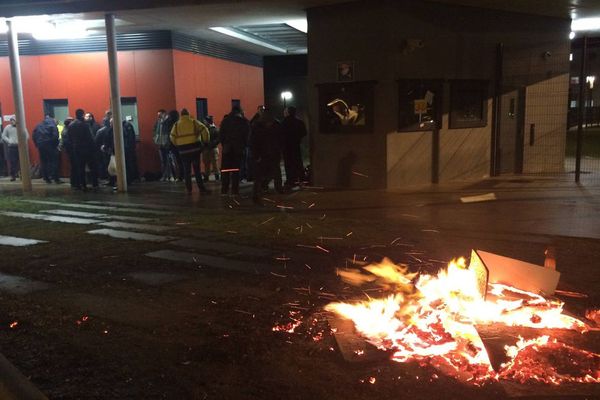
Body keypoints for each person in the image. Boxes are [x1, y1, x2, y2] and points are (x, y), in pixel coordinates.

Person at [170, 109, 210, 195]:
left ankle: (189, 189)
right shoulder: (194, 122)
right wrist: (205, 141)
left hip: (183, 151)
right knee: (197, 170)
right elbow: (205, 129)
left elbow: (172, 137)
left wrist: (178, 144)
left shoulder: (176, 125)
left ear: (181, 115)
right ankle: (201, 188)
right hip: (195, 150)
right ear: (188, 114)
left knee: (186, 170)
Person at [250, 108, 284, 203]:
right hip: (263, 154)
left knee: (273, 173)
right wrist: (256, 155)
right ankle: (257, 195)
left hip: (271, 153)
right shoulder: (258, 126)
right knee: (262, 176)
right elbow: (253, 142)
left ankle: (274, 188)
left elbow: (281, 139)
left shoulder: (273, 125)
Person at [219, 105, 249, 196]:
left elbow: (221, 135)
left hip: (227, 149)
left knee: (225, 170)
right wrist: (244, 145)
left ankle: (224, 190)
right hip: (238, 149)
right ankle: (234, 191)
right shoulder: (243, 121)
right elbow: (247, 135)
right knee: (236, 170)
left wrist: (225, 145)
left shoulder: (225, 121)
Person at [69, 109, 98, 191]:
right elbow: (90, 138)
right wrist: (93, 148)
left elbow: (70, 138)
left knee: (80, 168)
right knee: (92, 167)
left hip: (76, 149)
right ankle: (94, 183)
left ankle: (82, 184)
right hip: (87, 149)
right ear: (82, 114)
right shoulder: (85, 125)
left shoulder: (71, 125)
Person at [281, 106, 307, 187]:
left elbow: (280, 134)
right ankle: (301, 179)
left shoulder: (284, 122)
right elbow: (304, 132)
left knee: (288, 163)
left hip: (287, 146)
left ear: (288, 112)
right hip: (296, 144)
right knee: (298, 162)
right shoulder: (299, 122)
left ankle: (291, 180)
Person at [32, 113, 62, 183]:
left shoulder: (38, 125)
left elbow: (33, 135)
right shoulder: (53, 125)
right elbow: (55, 136)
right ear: (53, 119)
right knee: (54, 161)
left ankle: (46, 178)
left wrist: (37, 144)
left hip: (41, 146)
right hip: (51, 145)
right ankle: (56, 178)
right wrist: (55, 145)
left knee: (44, 162)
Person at [1, 117, 26, 182]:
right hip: (11, 147)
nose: (12, 121)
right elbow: (3, 136)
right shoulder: (7, 127)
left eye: (13, 120)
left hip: (20, 147)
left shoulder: (21, 126)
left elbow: (26, 135)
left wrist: (23, 141)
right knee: (13, 162)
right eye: (11, 120)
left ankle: (22, 175)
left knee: (22, 162)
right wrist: (9, 141)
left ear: (16, 121)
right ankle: (13, 176)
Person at [153, 109, 173, 181]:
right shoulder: (158, 122)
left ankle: (170, 175)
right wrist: (155, 138)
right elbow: (154, 130)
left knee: (169, 160)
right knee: (163, 160)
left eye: (160, 114)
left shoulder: (168, 121)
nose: (159, 116)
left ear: (164, 114)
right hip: (160, 144)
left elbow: (170, 132)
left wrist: (169, 142)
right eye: (158, 115)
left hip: (167, 144)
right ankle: (165, 175)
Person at [59, 117, 78, 188]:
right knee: (75, 166)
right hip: (72, 150)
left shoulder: (64, 130)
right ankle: (75, 182)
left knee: (73, 166)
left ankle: (74, 182)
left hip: (69, 150)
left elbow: (63, 141)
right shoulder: (69, 131)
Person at [201, 115, 220, 182]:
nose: (204, 122)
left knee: (212, 163)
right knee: (208, 163)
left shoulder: (213, 129)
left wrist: (210, 144)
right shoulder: (215, 129)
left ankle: (214, 175)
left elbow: (218, 139)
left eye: (205, 121)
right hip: (211, 148)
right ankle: (211, 176)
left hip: (211, 148)